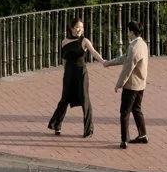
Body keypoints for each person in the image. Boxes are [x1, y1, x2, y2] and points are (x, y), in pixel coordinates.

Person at [48, 19, 102, 137]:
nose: (80, 30)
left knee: (84, 99)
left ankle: (88, 129)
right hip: (68, 73)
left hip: (81, 73)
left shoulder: (84, 41)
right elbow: (64, 60)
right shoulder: (64, 42)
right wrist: (65, 73)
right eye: (78, 27)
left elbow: (93, 52)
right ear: (72, 28)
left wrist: (103, 61)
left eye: (82, 28)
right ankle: (57, 125)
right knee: (64, 99)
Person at [103, 20, 150, 148]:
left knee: (124, 112)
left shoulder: (133, 47)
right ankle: (143, 135)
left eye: (128, 31)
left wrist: (118, 84)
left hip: (132, 85)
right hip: (141, 84)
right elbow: (125, 58)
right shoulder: (142, 44)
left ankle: (124, 140)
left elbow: (127, 69)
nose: (127, 33)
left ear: (132, 32)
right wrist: (109, 63)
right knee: (137, 109)